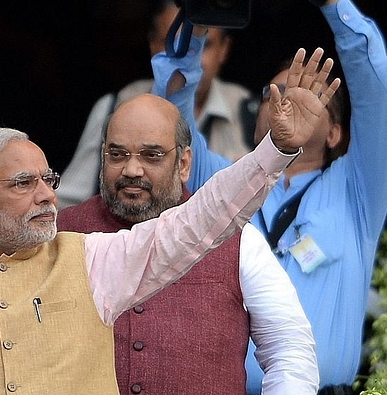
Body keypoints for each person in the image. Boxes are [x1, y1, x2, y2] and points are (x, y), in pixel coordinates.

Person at [0, 62, 338, 393]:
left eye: (49, 179)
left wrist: (274, 149)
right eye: (23, 183)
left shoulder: (88, 257)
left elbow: (197, 222)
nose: (46, 195)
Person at [150, 0, 387, 393]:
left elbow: (375, 90)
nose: (286, 100)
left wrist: (333, 5)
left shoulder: (360, 189)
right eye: (271, 92)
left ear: (335, 133)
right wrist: (197, 26)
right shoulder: (221, 180)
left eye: (309, 92)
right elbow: (169, 117)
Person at [56, 93, 318, 394]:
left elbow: (289, 349)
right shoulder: (62, 233)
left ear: (184, 163)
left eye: (150, 155)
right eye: (117, 155)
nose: (131, 170)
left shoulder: (238, 240)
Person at [56, 0, 255, 209]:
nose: (188, 56)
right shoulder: (115, 107)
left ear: (224, 49)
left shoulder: (251, 109)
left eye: (205, 45)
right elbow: (66, 203)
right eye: (118, 154)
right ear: (152, 44)